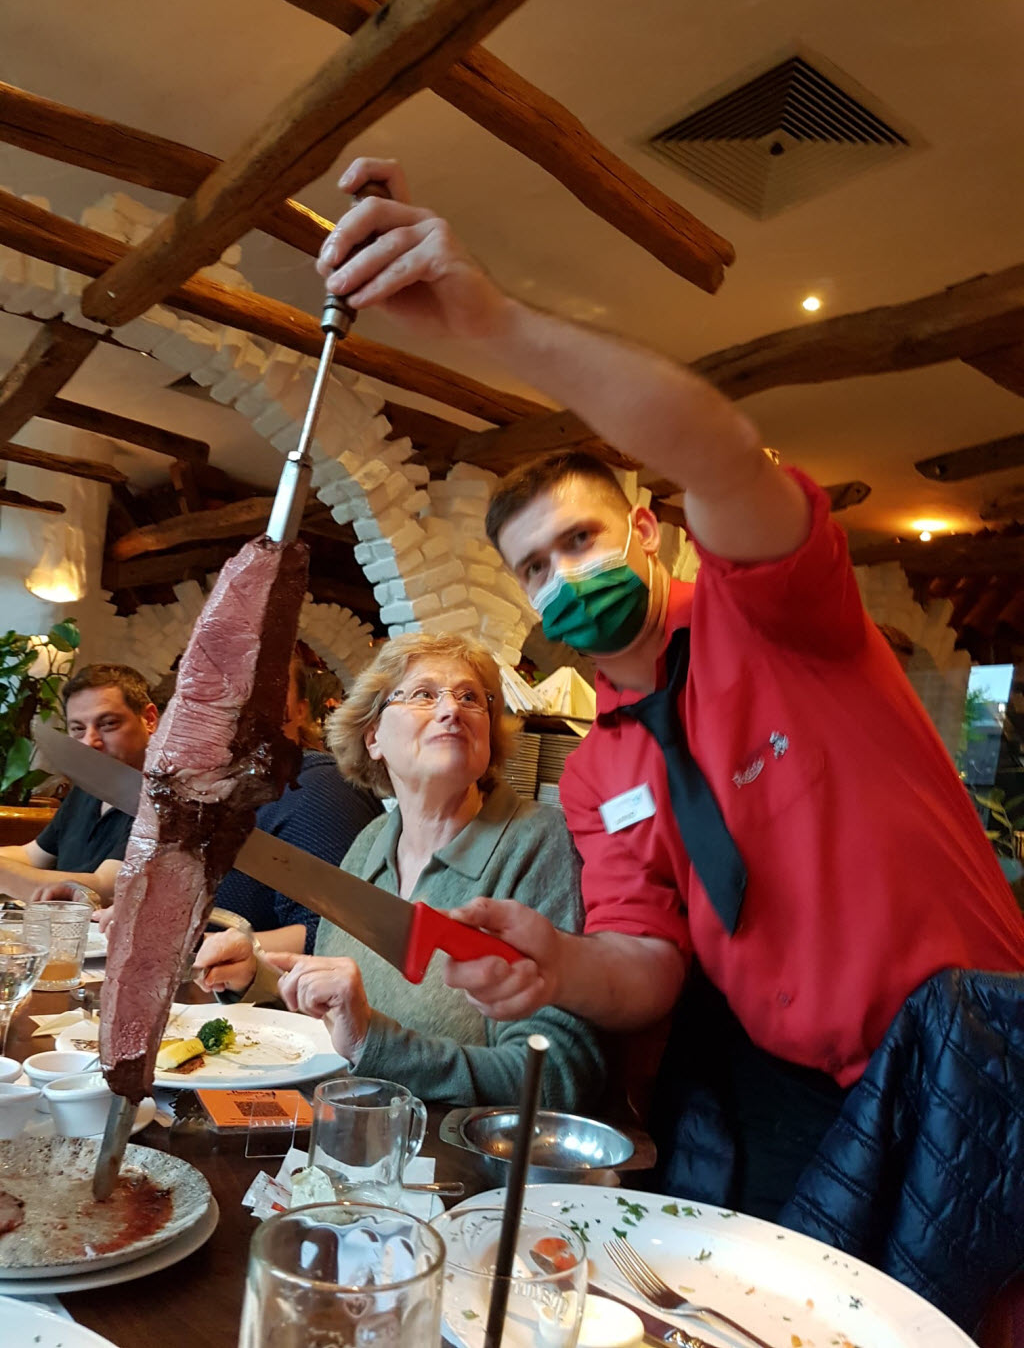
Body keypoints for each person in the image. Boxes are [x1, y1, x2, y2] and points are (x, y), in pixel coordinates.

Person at [314, 157, 1024, 1216]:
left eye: (581, 541)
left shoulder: (773, 614)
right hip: (787, 1093)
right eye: (535, 568)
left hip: (969, 1054)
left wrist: (495, 324)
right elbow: (645, 964)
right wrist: (556, 965)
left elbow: (723, 453)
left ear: (645, 530)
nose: (564, 578)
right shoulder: (600, 771)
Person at [194, 632, 605, 1110]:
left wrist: (375, 1042)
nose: (451, 710)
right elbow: (341, 1009)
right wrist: (258, 974)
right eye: (424, 694)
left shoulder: (538, 843)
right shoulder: (370, 842)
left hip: (449, 1150)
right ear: (373, 738)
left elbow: (558, 1074)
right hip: (347, 1130)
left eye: (471, 698)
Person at [213, 652, 382, 954]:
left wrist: (209, 950)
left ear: (301, 711)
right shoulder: (225, 791)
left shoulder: (316, 790)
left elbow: (335, 931)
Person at [0, 664, 157, 906]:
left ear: (149, 719)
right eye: (78, 729)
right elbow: (33, 855)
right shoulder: (88, 787)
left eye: (108, 724)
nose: (89, 742)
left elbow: (105, 889)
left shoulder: (163, 801)